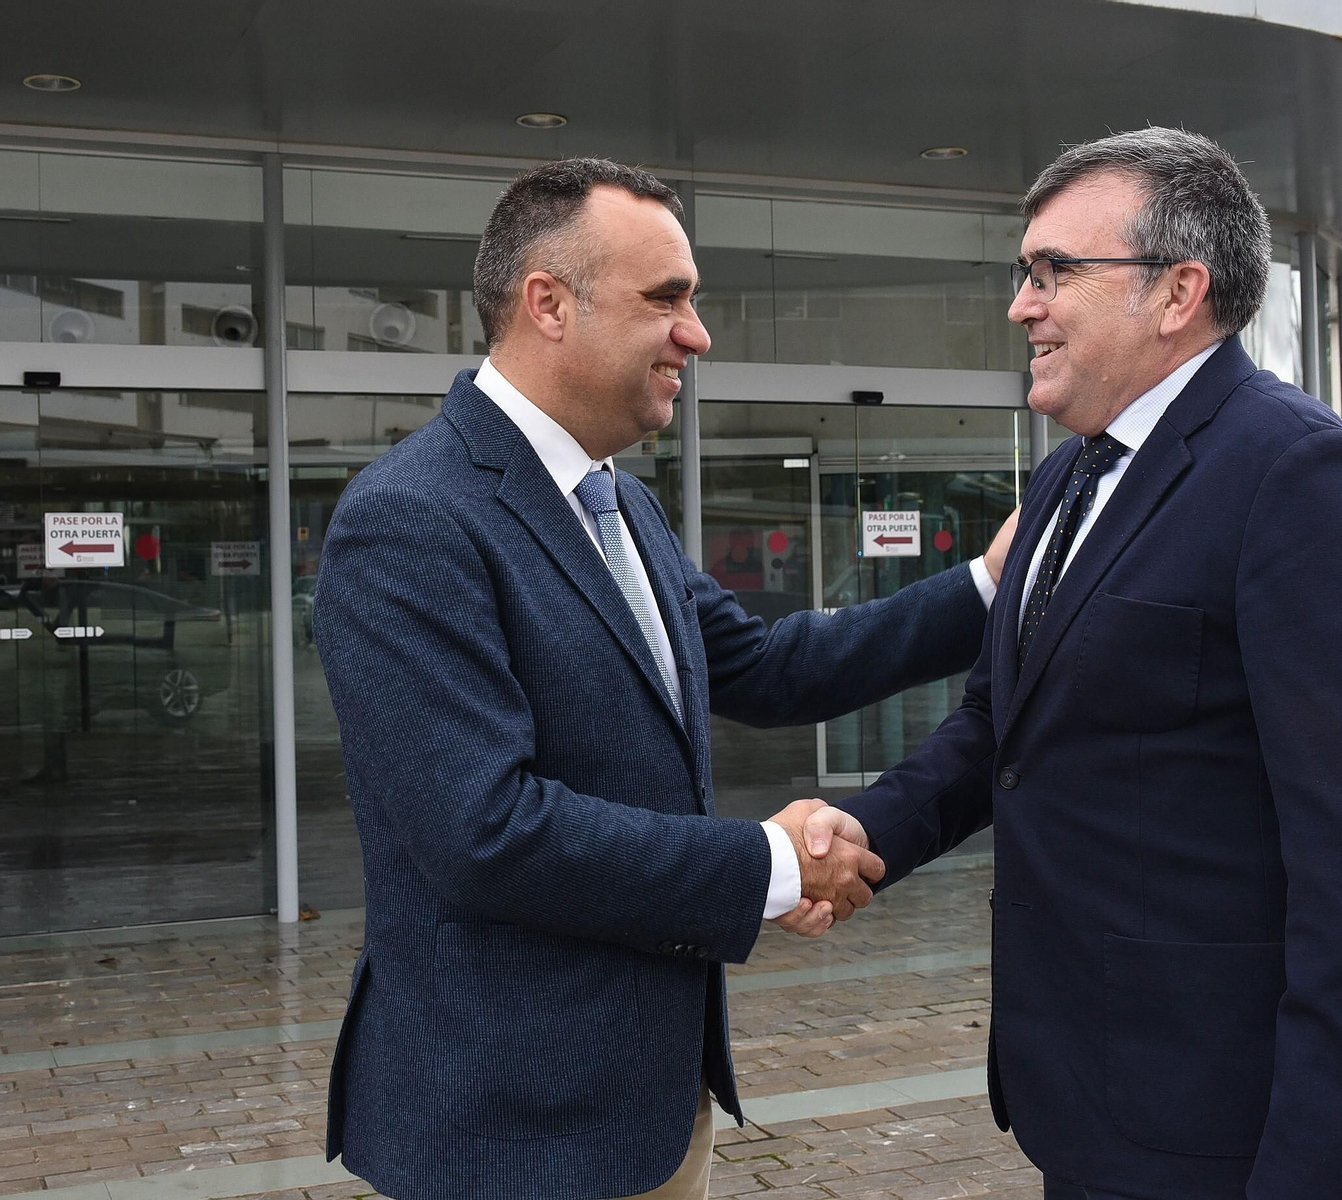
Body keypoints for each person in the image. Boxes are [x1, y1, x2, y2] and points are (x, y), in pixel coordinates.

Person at [312, 157, 1014, 1200]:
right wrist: (770, 866)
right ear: (547, 304)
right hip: (511, 1129)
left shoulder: (618, 502)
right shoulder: (410, 519)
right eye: (667, 300)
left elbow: (768, 668)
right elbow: (484, 833)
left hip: (650, 1106)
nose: (698, 334)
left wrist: (988, 585)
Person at [807, 128, 1342, 1199]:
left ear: (1176, 291)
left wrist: (1319, 1172)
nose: (1022, 304)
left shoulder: (1300, 476)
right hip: (1091, 1101)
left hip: (1231, 1128)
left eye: (1054, 271)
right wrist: (869, 829)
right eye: (1025, 273)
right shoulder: (1064, 480)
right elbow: (996, 730)